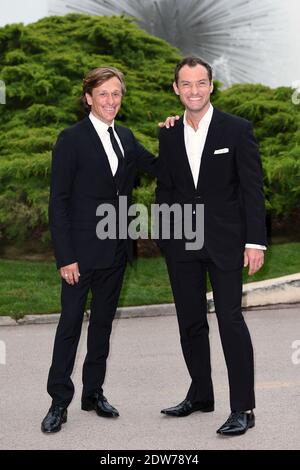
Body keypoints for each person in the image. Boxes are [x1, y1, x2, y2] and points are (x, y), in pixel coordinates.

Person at [41, 66, 159, 433]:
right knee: (70, 327)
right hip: (80, 254)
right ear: (88, 97)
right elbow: (58, 202)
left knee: (103, 327)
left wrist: (179, 132)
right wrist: (66, 257)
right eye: (104, 94)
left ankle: (93, 394)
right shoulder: (71, 139)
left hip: (116, 251)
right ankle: (59, 401)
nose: (111, 100)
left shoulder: (124, 136)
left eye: (116, 94)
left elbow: (158, 166)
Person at [155, 56, 267, 436]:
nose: (194, 90)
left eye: (200, 83)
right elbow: (165, 188)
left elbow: (252, 189)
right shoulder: (168, 133)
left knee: (230, 321)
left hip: (226, 241)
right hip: (182, 243)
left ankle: (243, 408)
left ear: (211, 85)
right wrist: (164, 236)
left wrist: (255, 241)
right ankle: (201, 394)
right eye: (186, 84)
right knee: (190, 322)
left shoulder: (237, 129)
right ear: (176, 88)